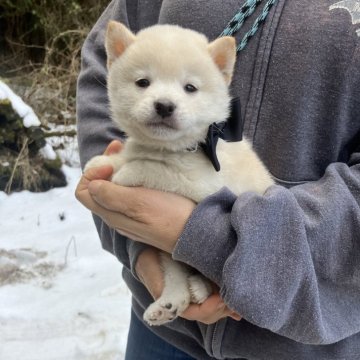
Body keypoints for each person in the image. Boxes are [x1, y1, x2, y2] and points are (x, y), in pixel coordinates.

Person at [75, 0, 360, 359]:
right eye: (146, 83)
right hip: (165, 331)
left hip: (310, 339)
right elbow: (106, 65)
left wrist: (228, 247)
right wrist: (137, 237)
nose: (164, 100)